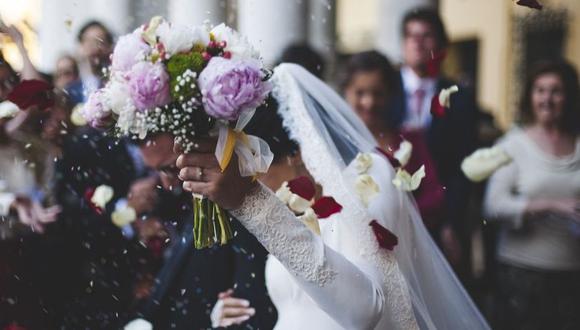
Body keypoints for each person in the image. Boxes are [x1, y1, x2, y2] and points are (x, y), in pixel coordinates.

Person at [178, 63, 489, 329]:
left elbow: (364, 310)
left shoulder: (371, 179)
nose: (257, 184)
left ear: (293, 155)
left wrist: (251, 201)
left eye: (254, 171)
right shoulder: (301, 209)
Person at [126, 133, 276, 329]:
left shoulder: (239, 204)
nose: (166, 184)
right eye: (156, 172)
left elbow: (251, 305)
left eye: (171, 168)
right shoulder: (169, 203)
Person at [484, 60, 580, 330]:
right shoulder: (512, 145)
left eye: (556, 91)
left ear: (568, 96)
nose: (547, 98)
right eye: (540, 90)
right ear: (530, 96)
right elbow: (493, 205)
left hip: (573, 275)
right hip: (522, 276)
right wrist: (551, 205)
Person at [389, 7, 478, 274]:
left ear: (439, 44)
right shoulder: (384, 90)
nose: (417, 42)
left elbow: (464, 163)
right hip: (391, 210)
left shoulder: (459, 96)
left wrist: (451, 220)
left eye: (426, 35)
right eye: (410, 35)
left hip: (441, 218)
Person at [341, 50, 445, 229]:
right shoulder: (335, 142)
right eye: (360, 93)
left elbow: (433, 196)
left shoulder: (410, 141)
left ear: (390, 94)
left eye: (378, 93)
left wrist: (396, 214)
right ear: (345, 92)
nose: (369, 102)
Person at [76, 20, 114, 98]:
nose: (95, 48)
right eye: (89, 42)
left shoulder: (114, 86)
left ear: (109, 47)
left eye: (100, 42)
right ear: (80, 46)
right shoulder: (71, 90)